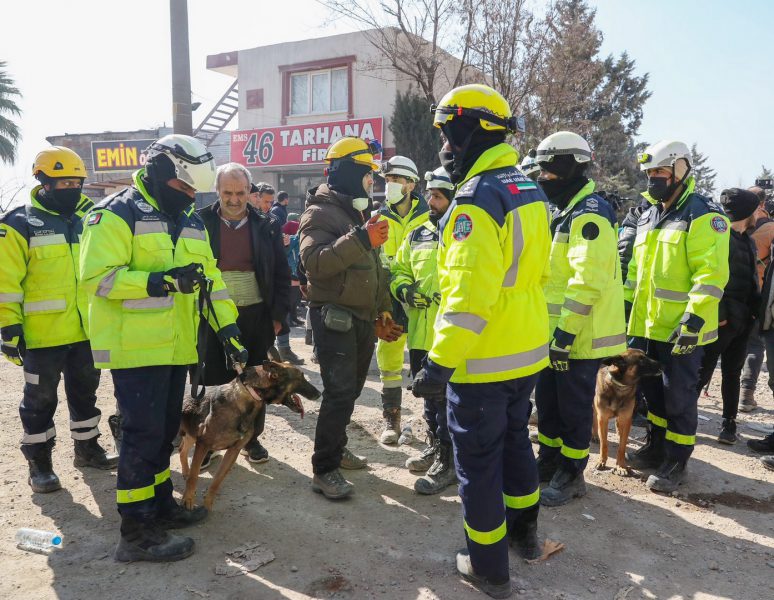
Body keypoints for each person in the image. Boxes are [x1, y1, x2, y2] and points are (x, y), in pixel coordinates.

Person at [413, 84, 551, 598]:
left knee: (478, 462)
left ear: (473, 130)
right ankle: (526, 536)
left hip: (483, 360)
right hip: (525, 351)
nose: (445, 145)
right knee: (517, 444)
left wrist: (439, 364)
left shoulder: (475, 199)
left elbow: (470, 298)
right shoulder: (526, 187)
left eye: (449, 132)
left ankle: (488, 567)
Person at [80, 134, 246, 562]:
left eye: (195, 189)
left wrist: (228, 331)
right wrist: (159, 281)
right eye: (184, 186)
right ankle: (136, 534)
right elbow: (97, 278)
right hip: (134, 349)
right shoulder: (115, 213)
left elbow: (211, 280)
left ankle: (159, 507)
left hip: (175, 349)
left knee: (164, 434)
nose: (191, 195)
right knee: (141, 437)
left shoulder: (189, 219)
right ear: (159, 173)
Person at [0, 146, 117, 494]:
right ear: (43, 182)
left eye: (76, 182)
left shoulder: (93, 219)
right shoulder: (18, 224)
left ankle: (88, 449)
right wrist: (8, 326)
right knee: (39, 402)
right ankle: (40, 463)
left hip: (86, 332)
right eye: (63, 181)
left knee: (86, 395)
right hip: (42, 336)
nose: (71, 188)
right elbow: (5, 282)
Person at [299, 136, 402, 500]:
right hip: (334, 319)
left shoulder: (356, 212)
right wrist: (362, 237)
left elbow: (374, 267)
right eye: (366, 175)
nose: (371, 183)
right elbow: (314, 264)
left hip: (361, 319)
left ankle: (336, 447)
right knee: (340, 393)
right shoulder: (320, 212)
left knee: (352, 392)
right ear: (347, 173)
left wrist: (382, 309)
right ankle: (324, 469)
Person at [624, 140, 729, 493]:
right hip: (646, 326)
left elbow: (711, 275)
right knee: (653, 393)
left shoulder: (703, 215)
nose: (654, 179)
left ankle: (677, 459)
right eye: (650, 173)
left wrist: (693, 321)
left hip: (683, 330)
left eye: (661, 172)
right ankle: (656, 446)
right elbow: (637, 270)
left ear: (680, 171)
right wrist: (625, 309)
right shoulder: (649, 213)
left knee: (678, 396)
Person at [534, 131, 626, 506]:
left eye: (551, 169)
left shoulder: (590, 214)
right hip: (555, 333)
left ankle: (572, 474)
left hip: (578, 336)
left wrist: (565, 335)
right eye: (541, 168)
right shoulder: (563, 210)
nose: (544, 177)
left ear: (575, 166)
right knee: (549, 404)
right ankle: (551, 460)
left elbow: (586, 281)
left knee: (572, 410)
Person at [198, 162, 291, 463]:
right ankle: (210, 440)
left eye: (240, 192)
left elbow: (279, 271)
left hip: (256, 314)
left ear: (249, 192)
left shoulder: (267, 224)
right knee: (213, 378)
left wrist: (277, 316)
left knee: (256, 380)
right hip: (212, 315)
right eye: (227, 192)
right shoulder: (199, 223)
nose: (234, 199)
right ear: (217, 191)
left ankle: (251, 440)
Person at [393, 167, 456, 495]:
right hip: (421, 334)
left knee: (449, 402)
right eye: (430, 195)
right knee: (429, 397)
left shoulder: (464, 230)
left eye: (438, 196)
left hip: (452, 335)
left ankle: (450, 459)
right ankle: (436, 448)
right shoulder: (417, 232)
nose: (431, 201)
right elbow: (399, 270)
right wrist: (405, 291)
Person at [695, 189, 759, 444]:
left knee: (732, 373)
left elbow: (751, 281)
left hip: (742, 321)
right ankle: (682, 422)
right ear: (747, 213)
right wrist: (720, 316)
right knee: (703, 370)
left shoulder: (748, 240)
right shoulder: (721, 237)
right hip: (721, 320)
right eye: (754, 211)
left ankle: (728, 425)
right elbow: (710, 277)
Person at [375, 155, 429, 444]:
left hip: (424, 299)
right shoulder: (378, 217)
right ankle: (392, 418)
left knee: (428, 358)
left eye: (395, 180)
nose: (389, 186)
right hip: (390, 298)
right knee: (390, 358)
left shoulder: (431, 214)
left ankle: (430, 422)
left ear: (410, 184)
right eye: (387, 180)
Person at [739, 185, 774, 412]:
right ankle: (746, 395)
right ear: (763, 204)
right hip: (762, 297)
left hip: (737, 294)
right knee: (754, 345)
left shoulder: (737, 224)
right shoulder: (771, 228)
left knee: (734, 346)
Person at [273, 218, 305, 365]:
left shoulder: (270, 220)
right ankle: (272, 351)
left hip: (280, 279)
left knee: (283, 313)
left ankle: (284, 350)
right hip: (268, 278)